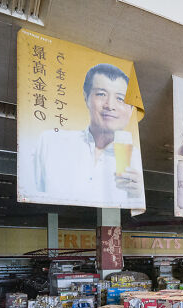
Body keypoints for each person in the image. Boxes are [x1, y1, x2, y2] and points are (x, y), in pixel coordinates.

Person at [31, 63, 144, 209]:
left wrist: (137, 196)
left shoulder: (135, 161)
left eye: (120, 98)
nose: (110, 105)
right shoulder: (51, 142)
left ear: (130, 110)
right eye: (101, 94)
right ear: (86, 97)